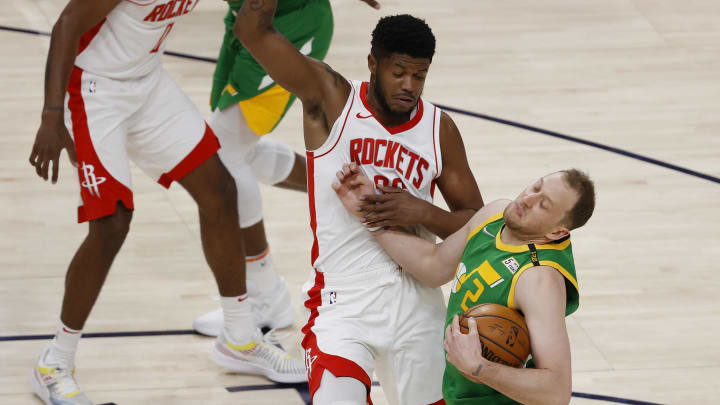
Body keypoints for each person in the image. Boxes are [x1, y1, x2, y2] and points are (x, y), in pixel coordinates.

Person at [27, 1, 305, 404]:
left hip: (147, 83)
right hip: (92, 89)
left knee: (220, 191)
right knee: (112, 224)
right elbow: (68, 23)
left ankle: (240, 339)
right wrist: (51, 116)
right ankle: (53, 362)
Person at [233, 2, 485, 404]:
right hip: (343, 300)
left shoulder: (439, 129)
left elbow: (477, 224)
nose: (409, 85)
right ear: (373, 62)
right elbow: (252, 31)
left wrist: (422, 212)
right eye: (398, 72)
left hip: (416, 302)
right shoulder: (331, 98)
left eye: (419, 75)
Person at [333, 163, 596, 404]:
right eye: (536, 187)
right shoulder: (494, 215)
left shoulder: (539, 280)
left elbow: (557, 392)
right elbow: (433, 265)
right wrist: (369, 213)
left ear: (556, 233)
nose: (527, 199)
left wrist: (479, 368)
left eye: (544, 204)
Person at [193, 0, 378, 337]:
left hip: (283, 26)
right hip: (250, 18)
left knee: (224, 155)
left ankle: (265, 297)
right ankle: (342, 186)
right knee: (235, 149)